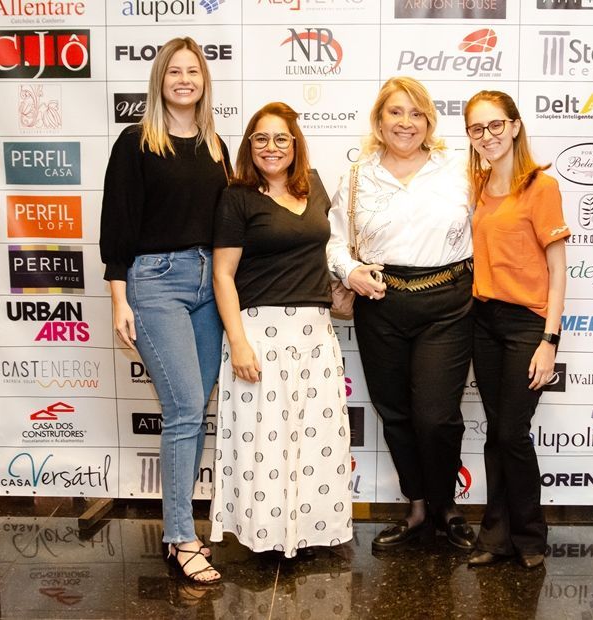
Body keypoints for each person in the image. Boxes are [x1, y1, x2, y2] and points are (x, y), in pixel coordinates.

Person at [99, 37, 230, 583]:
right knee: (181, 410)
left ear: (203, 81)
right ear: (160, 81)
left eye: (192, 72)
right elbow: (117, 221)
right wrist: (118, 297)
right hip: (155, 283)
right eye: (173, 71)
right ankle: (180, 536)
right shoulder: (136, 142)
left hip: (208, 285)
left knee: (193, 409)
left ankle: (180, 529)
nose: (184, 79)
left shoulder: (215, 145)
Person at [327, 76, 476, 551]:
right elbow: (333, 238)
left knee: (436, 416)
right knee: (395, 412)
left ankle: (446, 506)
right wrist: (349, 271)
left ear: (429, 121)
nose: (405, 123)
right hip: (381, 303)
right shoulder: (356, 177)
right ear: (378, 120)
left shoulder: (460, 170)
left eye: (416, 113)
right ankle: (416, 508)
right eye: (395, 112)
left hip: (448, 302)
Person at [209, 102, 353, 558]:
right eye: (261, 139)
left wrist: (340, 290)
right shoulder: (237, 197)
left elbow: (324, 252)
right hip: (260, 334)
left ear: (296, 145)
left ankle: (307, 532)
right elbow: (223, 275)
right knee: (265, 441)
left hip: (314, 334)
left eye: (281, 139)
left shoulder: (316, 189)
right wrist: (238, 343)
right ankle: (267, 535)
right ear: (249, 146)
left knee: (315, 439)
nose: (271, 148)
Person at [462, 91, 569, 569]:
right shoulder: (477, 186)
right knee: (496, 435)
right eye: (476, 128)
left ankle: (530, 536)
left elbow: (559, 266)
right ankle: (495, 536)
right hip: (484, 321)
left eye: (495, 125)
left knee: (512, 432)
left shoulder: (540, 187)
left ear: (516, 126)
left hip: (529, 324)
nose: (487, 136)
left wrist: (549, 341)